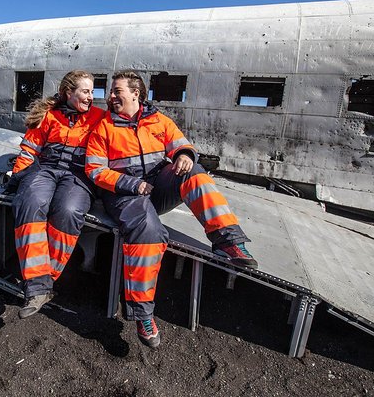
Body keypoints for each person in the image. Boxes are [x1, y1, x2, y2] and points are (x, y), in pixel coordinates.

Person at [85, 71, 257, 348]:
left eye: (117, 91)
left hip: (156, 186)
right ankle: (143, 315)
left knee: (196, 174)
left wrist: (185, 156)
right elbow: (95, 170)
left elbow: (180, 144)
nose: (111, 96)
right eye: (111, 92)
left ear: (135, 94)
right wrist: (132, 184)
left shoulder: (158, 120)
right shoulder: (103, 127)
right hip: (123, 193)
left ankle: (227, 241)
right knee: (149, 232)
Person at [11, 70, 106, 319]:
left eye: (92, 91)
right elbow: (30, 149)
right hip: (46, 169)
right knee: (31, 201)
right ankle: (37, 287)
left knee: (69, 210)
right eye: (85, 91)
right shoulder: (49, 116)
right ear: (68, 92)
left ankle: (43, 282)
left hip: (78, 176)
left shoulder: (100, 117)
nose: (91, 97)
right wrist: (19, 176)